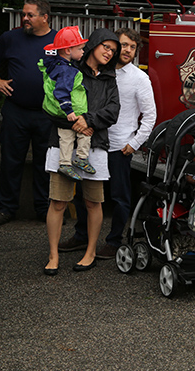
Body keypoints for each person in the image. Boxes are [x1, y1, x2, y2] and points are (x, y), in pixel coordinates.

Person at [59, 27, 156, 259]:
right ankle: (81, 236)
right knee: (84, 192)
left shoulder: (140, 78)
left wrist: (134, 143)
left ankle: (114, 241)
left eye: (133, 47)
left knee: (119, 197)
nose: (128, 50)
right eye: (123, 45)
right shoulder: (96, 71)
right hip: (90, 142)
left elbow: (150, 115)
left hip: (119, 146)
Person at [44, 28, 120, 275]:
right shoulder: (70, 69)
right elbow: (51, 102)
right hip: (63, 142)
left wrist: (88, 120)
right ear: (94, 44)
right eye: (106, 46)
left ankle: (90, 252)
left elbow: (113, 111)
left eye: (113, 50)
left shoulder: (110, 79)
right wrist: (75, 123)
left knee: (93, 202)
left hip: (95, 144)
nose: (109, 53)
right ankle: (53, 255)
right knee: (58, 202)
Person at [0, 0, 57, 225]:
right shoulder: (11, 38)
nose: (25, 18)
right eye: (24, 14)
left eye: (30, 15)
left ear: (45, 17)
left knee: (46, 163)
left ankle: (44, 209)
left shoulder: (58, 40)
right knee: (10, 161)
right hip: (16, 111)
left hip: (48, 114)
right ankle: (6, 208)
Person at [38, 26, 93, 181]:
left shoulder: (55, 65)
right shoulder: (67, 71)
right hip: (70, 111)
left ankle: (65, 163)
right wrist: (69, 110)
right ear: (68, 50)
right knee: (84, 132)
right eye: (80, 49)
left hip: (58, 112)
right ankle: (81, 158)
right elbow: (61, 91)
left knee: (66, 137)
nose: (83, 52)